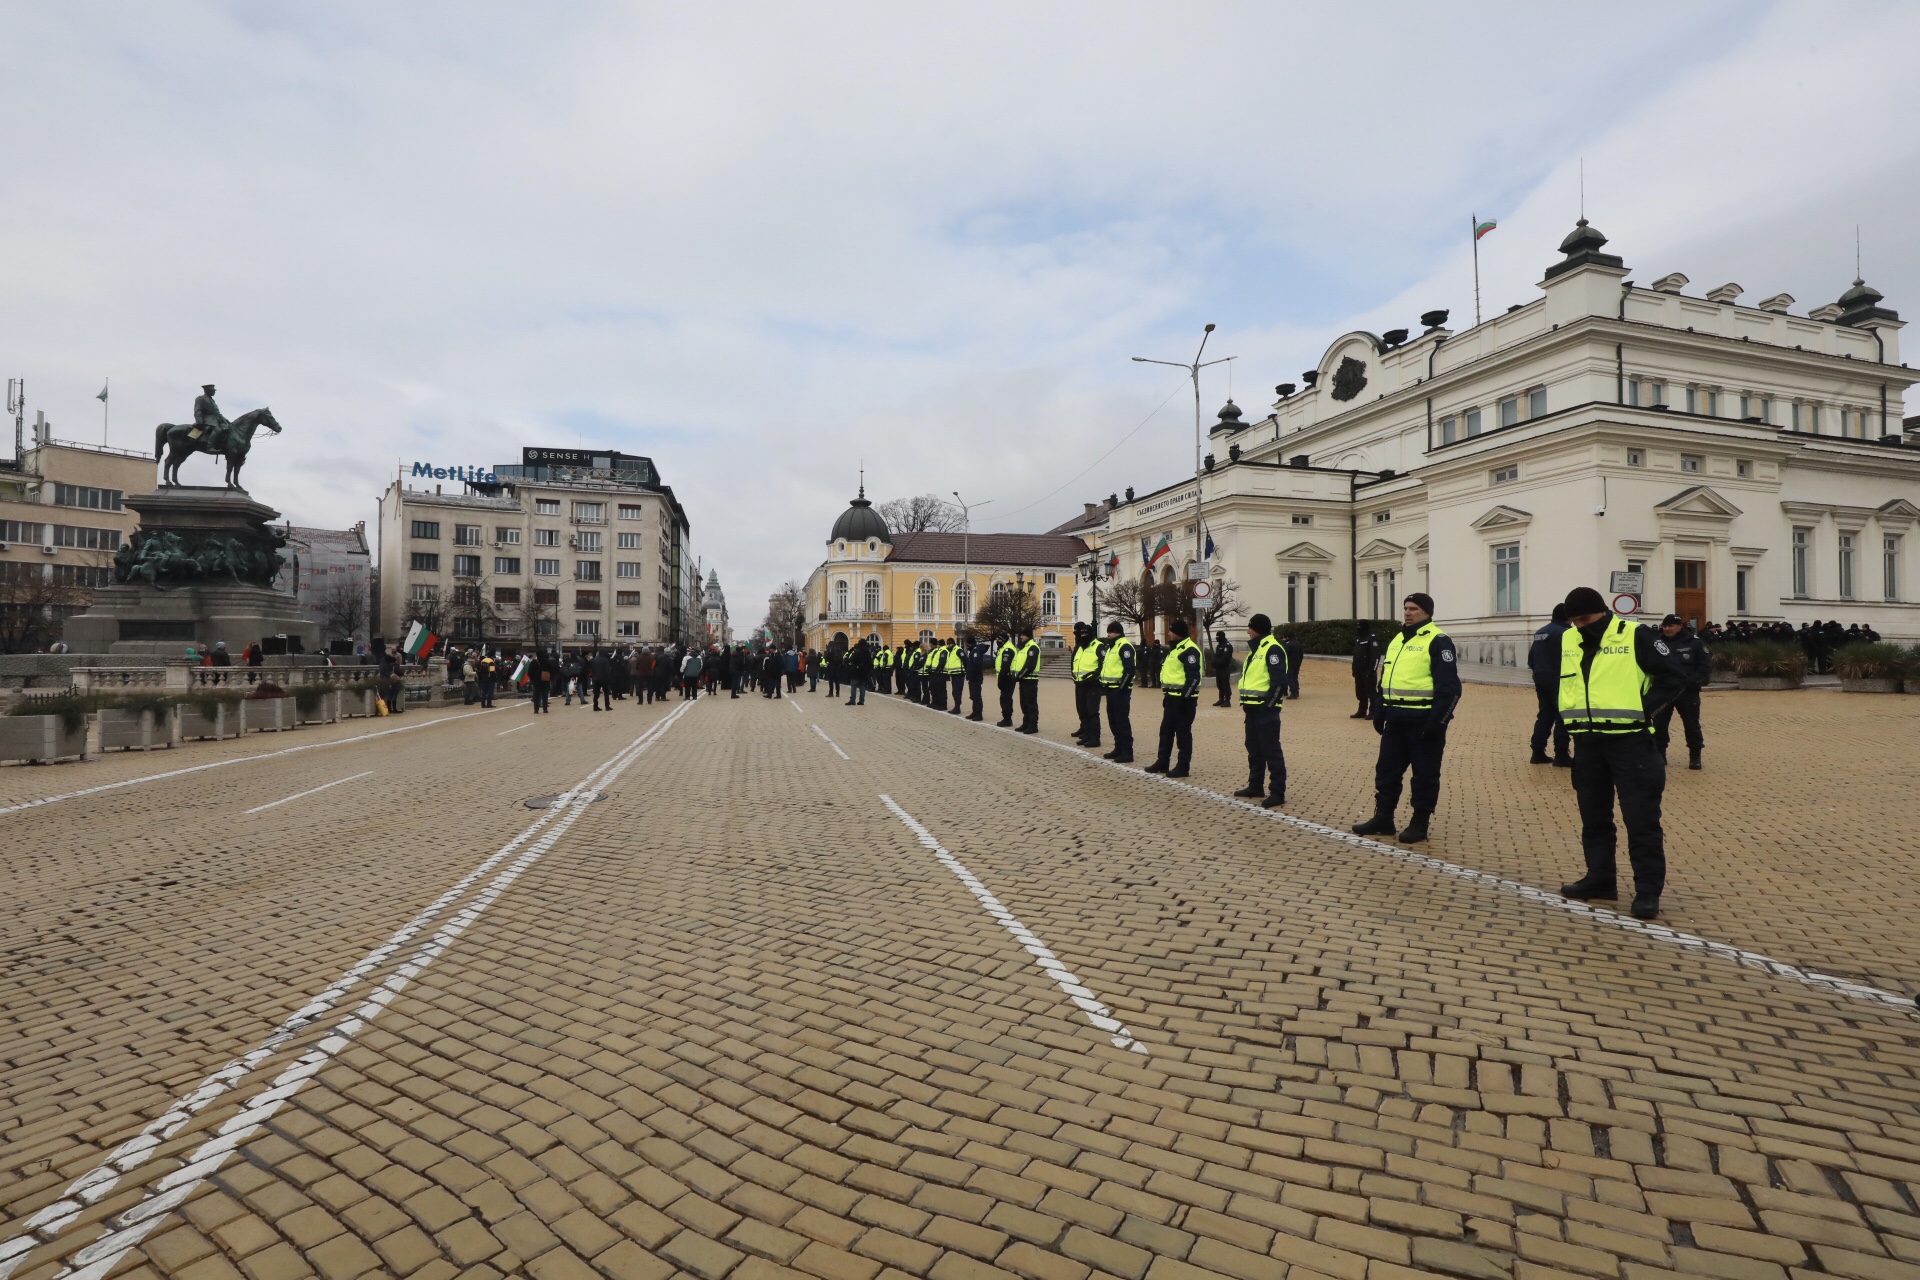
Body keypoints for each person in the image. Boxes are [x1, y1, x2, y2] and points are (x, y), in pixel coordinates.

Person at [1556, 586, 1686, 919]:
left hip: (1631, 745)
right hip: (1587, 745)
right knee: (1594, 818)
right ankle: (1600, 879)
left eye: (1584, 619)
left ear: (1602, 612)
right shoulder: (1569, 639)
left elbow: (1674, 677)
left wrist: (1645, 710)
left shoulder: (1635, 634)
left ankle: (1647, 892)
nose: (1579, 627)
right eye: (1573, 621)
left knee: (1641, 821)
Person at [1351, 593, 1459, 844]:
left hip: (1423, 722)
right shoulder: (1398, 639)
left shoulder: (1439, 641)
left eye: (1414, 609)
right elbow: (1385, 678)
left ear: (1427, 613)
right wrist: (1379, 710)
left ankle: (1419, 822)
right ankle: (1384, 819)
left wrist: (1438, 721)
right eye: (1406, 608)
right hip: (1395, 720)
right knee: (1386, 773)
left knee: (1424, 775)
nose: (1408, 612)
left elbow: (1450, 688)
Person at [1232, 614, 1288, 808]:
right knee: (1254, 749)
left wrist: (1269, 705)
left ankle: (1277, 791)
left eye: (1250, 628)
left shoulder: (1272, 649)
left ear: (1259, 629)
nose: (1247, 631)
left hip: (1265, 710)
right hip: (1251, 709)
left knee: (1271, 750)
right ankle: (1255, 785)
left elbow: (1279, 683)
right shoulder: (1258, 649)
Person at [1145, 618, 1202, 777]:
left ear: (1178, 633)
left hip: (1183, 700)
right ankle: (1162, 762)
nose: (1168, 633)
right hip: (1171, 698)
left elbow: (1193, 678)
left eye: (1171, 631)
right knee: (1166, 732)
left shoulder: (1189, 650)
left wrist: (1185, 698)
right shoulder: (1175, 649)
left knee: (1183, 734)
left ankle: (1183, 766)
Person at [1653, 613, 1709, 770]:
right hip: (1663, 691)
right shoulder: (1657, 643)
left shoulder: (1694, 643)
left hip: (1687, 691)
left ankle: (1695, 756)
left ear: (1680, 626)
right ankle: (1660, 754)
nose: (1667, 629)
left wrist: (1690, 681)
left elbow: (1704, 668)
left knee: (1691, 725)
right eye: (1664, 626)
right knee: (1659, 725)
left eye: (1670, 626)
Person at [1527, 605, 1572, 767]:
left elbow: (1531, 658)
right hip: (1560, 680)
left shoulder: (1541, 632)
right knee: (1562, 717)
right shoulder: (1566, 633)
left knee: (1545, 715)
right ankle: (1561, 755)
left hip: (1541, 679)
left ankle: (1537, 752)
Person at [1097, 621, 1135, 761]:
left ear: (1117, 632)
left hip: (1120, 692)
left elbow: (1129, 670)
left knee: (1121, 721)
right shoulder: (1112, 647)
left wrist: (1121, 688)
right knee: (1113, 721)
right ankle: (1118, 748)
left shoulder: (1124, 646)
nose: (1108, 635)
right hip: (1110, 690)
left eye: (1110, 632)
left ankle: (1127, 751)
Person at [1070, 623, 1104, 747]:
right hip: (1080, 684)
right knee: (1082, 711)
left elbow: (1103, 665)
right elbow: (1074, 664)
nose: (1083, 635)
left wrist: (1093, 677)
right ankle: (1087, 735)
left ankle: (1095, 738)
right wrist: (1074, 676)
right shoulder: (1079, 647)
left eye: (1086, 633)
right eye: (1082, 633)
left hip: (1092, 685)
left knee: (1092, 712)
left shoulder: (1098, 646)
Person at [1012, 625, 1042, 733]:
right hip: (1023, 680)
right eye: (1021, 635)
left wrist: (1019, 675)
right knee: (1024, 703)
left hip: (1030, 680)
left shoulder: (1032, 647)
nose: (1021, 637)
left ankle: (1033, 725)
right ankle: (1026, 723)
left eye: (1023, 635)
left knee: (1031, 703)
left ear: (1028, 636)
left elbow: (1030, 665)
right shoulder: (1023, 648)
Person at [1350, 625, 1380, 720]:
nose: (1358, 629)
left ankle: (1373, 712)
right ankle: (1362, 711)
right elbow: (1356, 655)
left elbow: (1375, 656)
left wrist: (1372, 670)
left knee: (1371, 692)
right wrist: (1354, 669)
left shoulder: (1371, 638)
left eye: (1360, 627)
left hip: (1368, 671)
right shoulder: (1359, 639)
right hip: (1359, 670)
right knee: (1360, 692)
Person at [994, 633, 1018, 727]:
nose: (997, 641)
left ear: (1003, 640)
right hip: (1005, 677)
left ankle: (1007, 719)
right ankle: (1006, 718)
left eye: (999, 639)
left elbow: (1005, 666)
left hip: (1007, 678)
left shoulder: (1008, 649)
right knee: (1004, 699)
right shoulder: (1003, 648)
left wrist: (1001, 679)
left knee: (1006, 699)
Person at [963, 632, 988, 720]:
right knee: (973, 696)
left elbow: (976, 665)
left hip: (976, 678)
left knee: (977, 696)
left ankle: (979, 714)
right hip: (973, 677)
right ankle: (974, 712)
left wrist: (971, 675)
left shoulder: (975, 651)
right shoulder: (973, 650)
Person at [1210, 631, 1234, 707]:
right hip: (1218, 669)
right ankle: (1221, 699)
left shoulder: (1227, 646)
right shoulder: (1219, 645)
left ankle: (1227, 700)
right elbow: (1216, 656)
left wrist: (1218, 663)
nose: (1217, 638)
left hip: (1225, 668)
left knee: (1225, 684)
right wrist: (1213, 663)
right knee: (1219, 684)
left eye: (1218, 637)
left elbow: (1226, 658)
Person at [945, 635, 967, 716]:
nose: (949, 645)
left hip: (959, 674)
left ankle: (957, 707)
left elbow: (965, 660)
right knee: (954, 691)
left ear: (953, 644)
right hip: (953, 674)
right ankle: (956, 706)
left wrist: (966, 672)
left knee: (957, 691)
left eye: (950, 644)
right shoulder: (950, 651)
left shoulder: (958, 650)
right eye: (948, 644)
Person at [1280, 631, 1304, 700]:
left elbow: (1285, 654)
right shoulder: (1298, 643)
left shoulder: (1288, 644)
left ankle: (1293, 692)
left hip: (1290, 663)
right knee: (1295, 677)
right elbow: (1301, 654)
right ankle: (1296, 691)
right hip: (1297, 662)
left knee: (1289, 677)